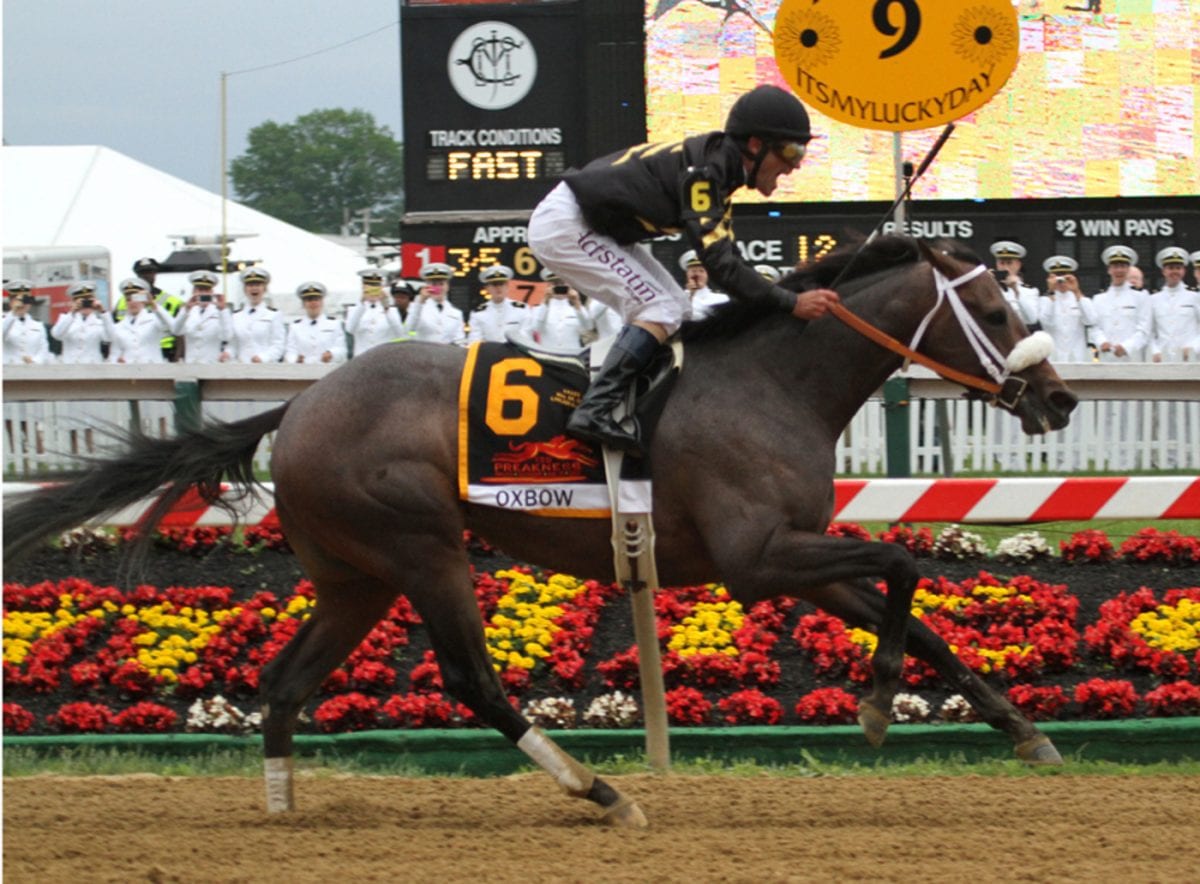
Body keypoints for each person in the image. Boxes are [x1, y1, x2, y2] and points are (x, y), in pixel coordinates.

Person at [528, 83, 839, 452]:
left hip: (591, 225)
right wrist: (791, 303)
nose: (796, 164)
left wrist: (785, 297)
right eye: (791, 149)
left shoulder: (719, 170)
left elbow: (729, 260)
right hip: (568, 224)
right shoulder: (707, 174)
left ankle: (623, 397)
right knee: (657, 308)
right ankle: (593, 410)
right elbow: (722, 267)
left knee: (677, 307)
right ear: (755, 145)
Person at [1090, 245, 1151, 470]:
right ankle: (1109, 456)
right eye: (1116, 266)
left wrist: (1126, 347)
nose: (1119, 270)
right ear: (1109, 269)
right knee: (1106, 408)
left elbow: (1144, 330)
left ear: (1128, 269)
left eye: (1123, 266)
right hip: (1106, 359)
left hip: (1128, 359)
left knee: (1129, 409)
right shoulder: (1098, 299)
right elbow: (1093, 328)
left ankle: (1128, 458)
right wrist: (1101, 341)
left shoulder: (1140, 297)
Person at [1147, 247, 1198, 467]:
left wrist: (1193, 347)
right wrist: (1155, 351)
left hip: (1191, 360)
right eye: (1170, 268)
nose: (1173, 272)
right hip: (1164, 360)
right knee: (1165, 411)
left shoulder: (1194, 297)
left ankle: (1192, 456)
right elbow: (1148, 332)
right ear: (1163, 271)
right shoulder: (1154, 299)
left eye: (1177, 268)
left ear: (1183, 271)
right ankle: (1167, 459)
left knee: (1191, 411)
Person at [122, 257, 184, 361]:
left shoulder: (171, 301)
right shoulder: (123, 302)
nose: (146, 276)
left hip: (166, 352)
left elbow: (179, 331)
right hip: (134, 353)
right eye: (142, 273)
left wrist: (179, 356)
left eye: (149, 272)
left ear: (155, 274)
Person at [222, 267, 285, 363]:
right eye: (250, 285)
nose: (254, 288)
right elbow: (233, 345)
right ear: (245, 289)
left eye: (258, 284)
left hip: (266, 368)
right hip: (240, 368)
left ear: (264, 288)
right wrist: (227, 353)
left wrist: (263, 358)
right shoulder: (236, 316)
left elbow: (278, 345)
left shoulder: (274, 315)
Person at [524, 269, 597, 349]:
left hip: (572, 355)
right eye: (556, 284)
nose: (560, 287)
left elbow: (588, 327)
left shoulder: (576, 308)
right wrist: (545, 301)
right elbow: (536, 328)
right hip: (547, 355)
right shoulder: (540, 308)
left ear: (570, 285)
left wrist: (577, 302)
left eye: (563, 283)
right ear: (549, 285)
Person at [108, 278, 175, 363]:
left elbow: (173, 327)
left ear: (143, 300)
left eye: (136, 298)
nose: (132, 303)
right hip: (129, 373)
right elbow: (114, 353)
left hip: (153, 372)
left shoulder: (154, 319)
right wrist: (117, 362)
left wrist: (153, 304)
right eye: (128, 299)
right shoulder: (118, 327)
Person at [175, 270, 232, 364]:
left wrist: (223, 310)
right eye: (200, 290)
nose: (203, 293)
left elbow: (226, 336)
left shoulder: (220, 312)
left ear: (212, 292)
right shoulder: (187, 311)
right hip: (191, 364)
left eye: (207, 290)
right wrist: (186, 310)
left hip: (211, 365)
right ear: (193, 292)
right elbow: (176, 331)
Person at [50, 281, 114, 364]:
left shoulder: (100, 322)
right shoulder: (66, 319)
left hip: (93, 368)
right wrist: (72, 313)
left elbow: (110, 337)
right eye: (82, 302)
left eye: (89, 302)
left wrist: (103, 312)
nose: (85, 305)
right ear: (73, 302)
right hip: (70, 367)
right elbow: (56, 335)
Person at [404, 263, 466, 345]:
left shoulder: (456, 313)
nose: (438, 288)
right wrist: (420, 302)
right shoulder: (416, 307)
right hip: (424, 354)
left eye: (441, 284)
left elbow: (460, 341)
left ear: (447, 286)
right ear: (427, 286)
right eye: (433, 284)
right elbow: (409, 329)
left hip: (446, 355)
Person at [285, 282, 348, 364]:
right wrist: (295, 359)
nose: (313, 303)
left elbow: (342, 349)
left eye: (316, 299)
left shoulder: (334, 324)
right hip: (303, 371)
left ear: (322, 302)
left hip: (328, 370)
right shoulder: (295, 327)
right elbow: (290, 351)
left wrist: (332, 354)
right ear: (303, 304)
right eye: (309, 300)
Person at [346, 267, 403, 355]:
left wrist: (386, 307)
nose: (373, 290)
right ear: (363, 286)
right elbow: (350, 330)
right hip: (361, 359)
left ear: (381, 287)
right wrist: (362, 303)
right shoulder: (355, 309)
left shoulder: (391, 310)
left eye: (376, 286)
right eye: (370, 286)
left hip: (383, 358)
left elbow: (399, 333)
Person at [467, 264, 527, 344]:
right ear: (487, 288)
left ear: (507, 286)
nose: (498, 288)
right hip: (490, 354)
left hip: (514, 354)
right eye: (494, 284)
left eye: (501, 284)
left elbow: (526, 337)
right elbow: (474, 342)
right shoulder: (478, 313)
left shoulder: (521, 309)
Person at [988, 240, 1040, 328]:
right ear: (996, 264)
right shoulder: (990, 287)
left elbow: (1032, 319)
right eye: (1002, 263)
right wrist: (985, 283)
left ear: (1018, 265)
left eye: (1009, 263)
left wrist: (1016, 291)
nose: (1005, 268)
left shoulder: (1029, 291)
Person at [2, 280, 51, 364]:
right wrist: (14, 311)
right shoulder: (4, 321)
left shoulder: (38, 325)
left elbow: (44, 350)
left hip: (32, 370)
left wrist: (35, 361)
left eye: (26, 300)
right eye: (17, 300)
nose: (22, 304)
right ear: (10, 302)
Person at [678, 249, 728, 320]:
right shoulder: (678, 298)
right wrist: (691, 295)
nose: (697, 275)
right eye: (693, 271)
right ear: (687, 274)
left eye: (701, 271)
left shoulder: (722, 299)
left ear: (707, 275)